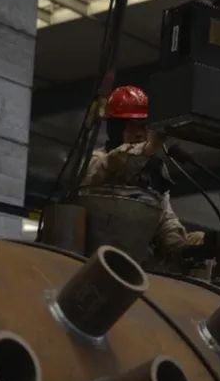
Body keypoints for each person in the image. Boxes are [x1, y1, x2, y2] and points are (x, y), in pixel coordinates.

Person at [81, 85, 204, 259]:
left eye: (144, 127)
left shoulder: (153, 172)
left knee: (199, 239)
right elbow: (115, 162)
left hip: (135, 261)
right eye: (132, 126)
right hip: (92, 259)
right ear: (115, 128)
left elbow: (164, 218)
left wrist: (182, 247)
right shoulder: (95, 161)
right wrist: (148, 148)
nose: (140, 134)